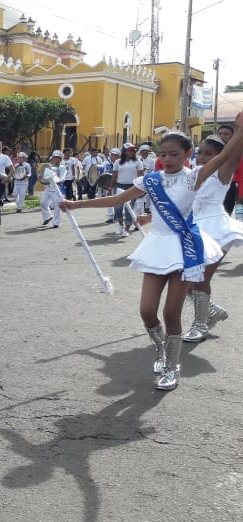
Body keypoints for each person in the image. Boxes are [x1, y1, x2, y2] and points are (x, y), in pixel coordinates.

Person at [59, 121, 243, 390]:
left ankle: (172, 367)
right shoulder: (151, 180)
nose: (167, 159)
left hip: (184, 248)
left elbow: (227, 155)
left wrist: (240, 130)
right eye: (164, 154)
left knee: (171, 312)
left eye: (175, 154)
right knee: (147, 311)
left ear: (188, 154)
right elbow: (115, 200)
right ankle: (161, 349)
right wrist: (76, 204)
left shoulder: (194, 177)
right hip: (157, 247)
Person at [181, 134, 243, 342]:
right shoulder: (193, 174)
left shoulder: (222, 173)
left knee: (200, 278)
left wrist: (240, 130)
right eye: (200, 153)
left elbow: (232, 157)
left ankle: (200, 326)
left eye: (209, 154)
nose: (202, 158)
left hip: (216, 229)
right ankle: (211, 309)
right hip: (193, 228)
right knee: (185, 279)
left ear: (220, 156)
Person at [110, 146, 144, 237]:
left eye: (133, 150)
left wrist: (142, 189)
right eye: (130, 150)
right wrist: (111, 186)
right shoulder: (117, 162)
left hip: (132, 187)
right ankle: (120, 225)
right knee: (117, 208)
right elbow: (114, 175)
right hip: (119, 186)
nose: (133, 152)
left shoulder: (138, 162)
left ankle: (126, 229)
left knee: (129, 209)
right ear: (125, 152)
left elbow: (141, 176)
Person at [39, 151, 66, 229]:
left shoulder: (62, 167)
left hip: (56, 190)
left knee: (57, 207)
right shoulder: (49, 166)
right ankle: (47, 217)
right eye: (54, 157)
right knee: (43, 203)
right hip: (48, 188)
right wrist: (42, 180)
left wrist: (58, 181)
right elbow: (44, 177)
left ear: (60, 159)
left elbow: (62, 177)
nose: (55, 159)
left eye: (57, 157)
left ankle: (56, 223)